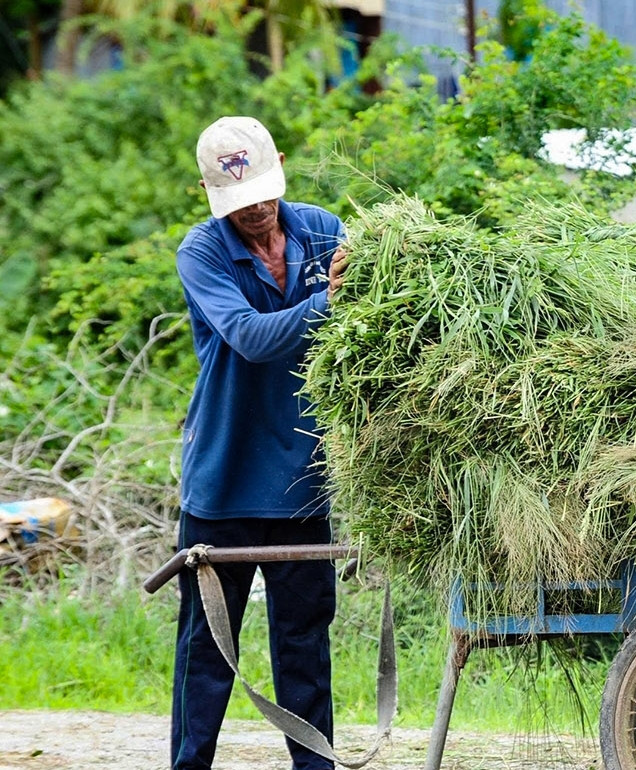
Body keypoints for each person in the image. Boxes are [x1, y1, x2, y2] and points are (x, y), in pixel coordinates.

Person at [171, 116, 347, 770]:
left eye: (263, 193)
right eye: (238, 201)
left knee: (304, 647)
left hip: (303, 480)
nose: (255, 209)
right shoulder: (202, 251)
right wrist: (330, 301)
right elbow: (248, 337)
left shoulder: (324, 231)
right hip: (225, 480)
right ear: (209, 192)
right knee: (207, 655)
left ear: (280, 165)